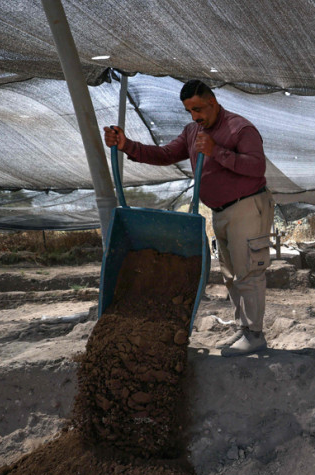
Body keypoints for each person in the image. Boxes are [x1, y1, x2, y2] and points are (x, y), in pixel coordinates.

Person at [104, 79, 274, 355]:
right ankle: (245, 330)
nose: (195, 116)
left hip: (247, 206)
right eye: (189, 111)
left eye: (198, 109)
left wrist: (216, 151)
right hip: (220, 212)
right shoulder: (193, 131)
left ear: (213, 103)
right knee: (231, 275)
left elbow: (257, 167)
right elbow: (165, 154)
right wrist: (127, 145)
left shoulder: (240, 128)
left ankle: (255, 335)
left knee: (249, 273)